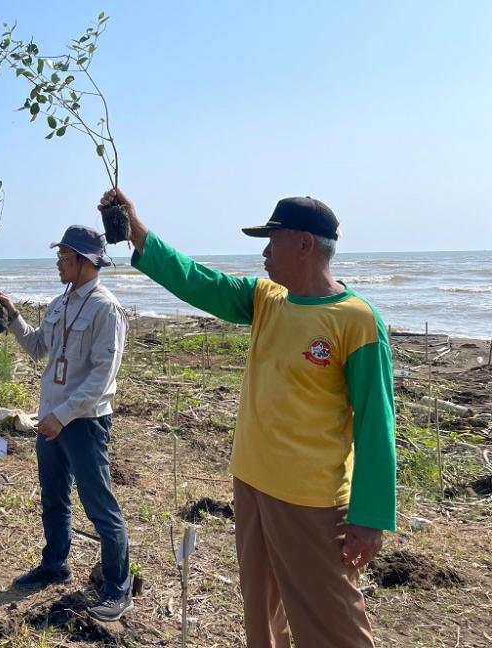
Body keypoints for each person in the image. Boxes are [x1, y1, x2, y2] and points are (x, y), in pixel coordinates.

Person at [104, 189, 397, 647]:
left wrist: (370, 517)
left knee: (331, 624)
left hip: (311, 501)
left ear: (304, 244)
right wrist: (138, 233)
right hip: (252, 484)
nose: (264, 253)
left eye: (272, 241)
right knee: (261, 614)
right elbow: (200, 282)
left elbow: (376, 424)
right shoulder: (266, 298)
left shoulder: (356, 320)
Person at [0, 224, 132, 622]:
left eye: (64, 256)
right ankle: (54, 563)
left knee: (99, 504)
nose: (58, 262)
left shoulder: (106, 309)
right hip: (51, 418)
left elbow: (102, 376)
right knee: (53, 497)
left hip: (83, 423)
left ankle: (117, 588)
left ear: (84, 261)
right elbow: (39, 348)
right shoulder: (60, 303)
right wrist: (13, 316)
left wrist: (63, 416)